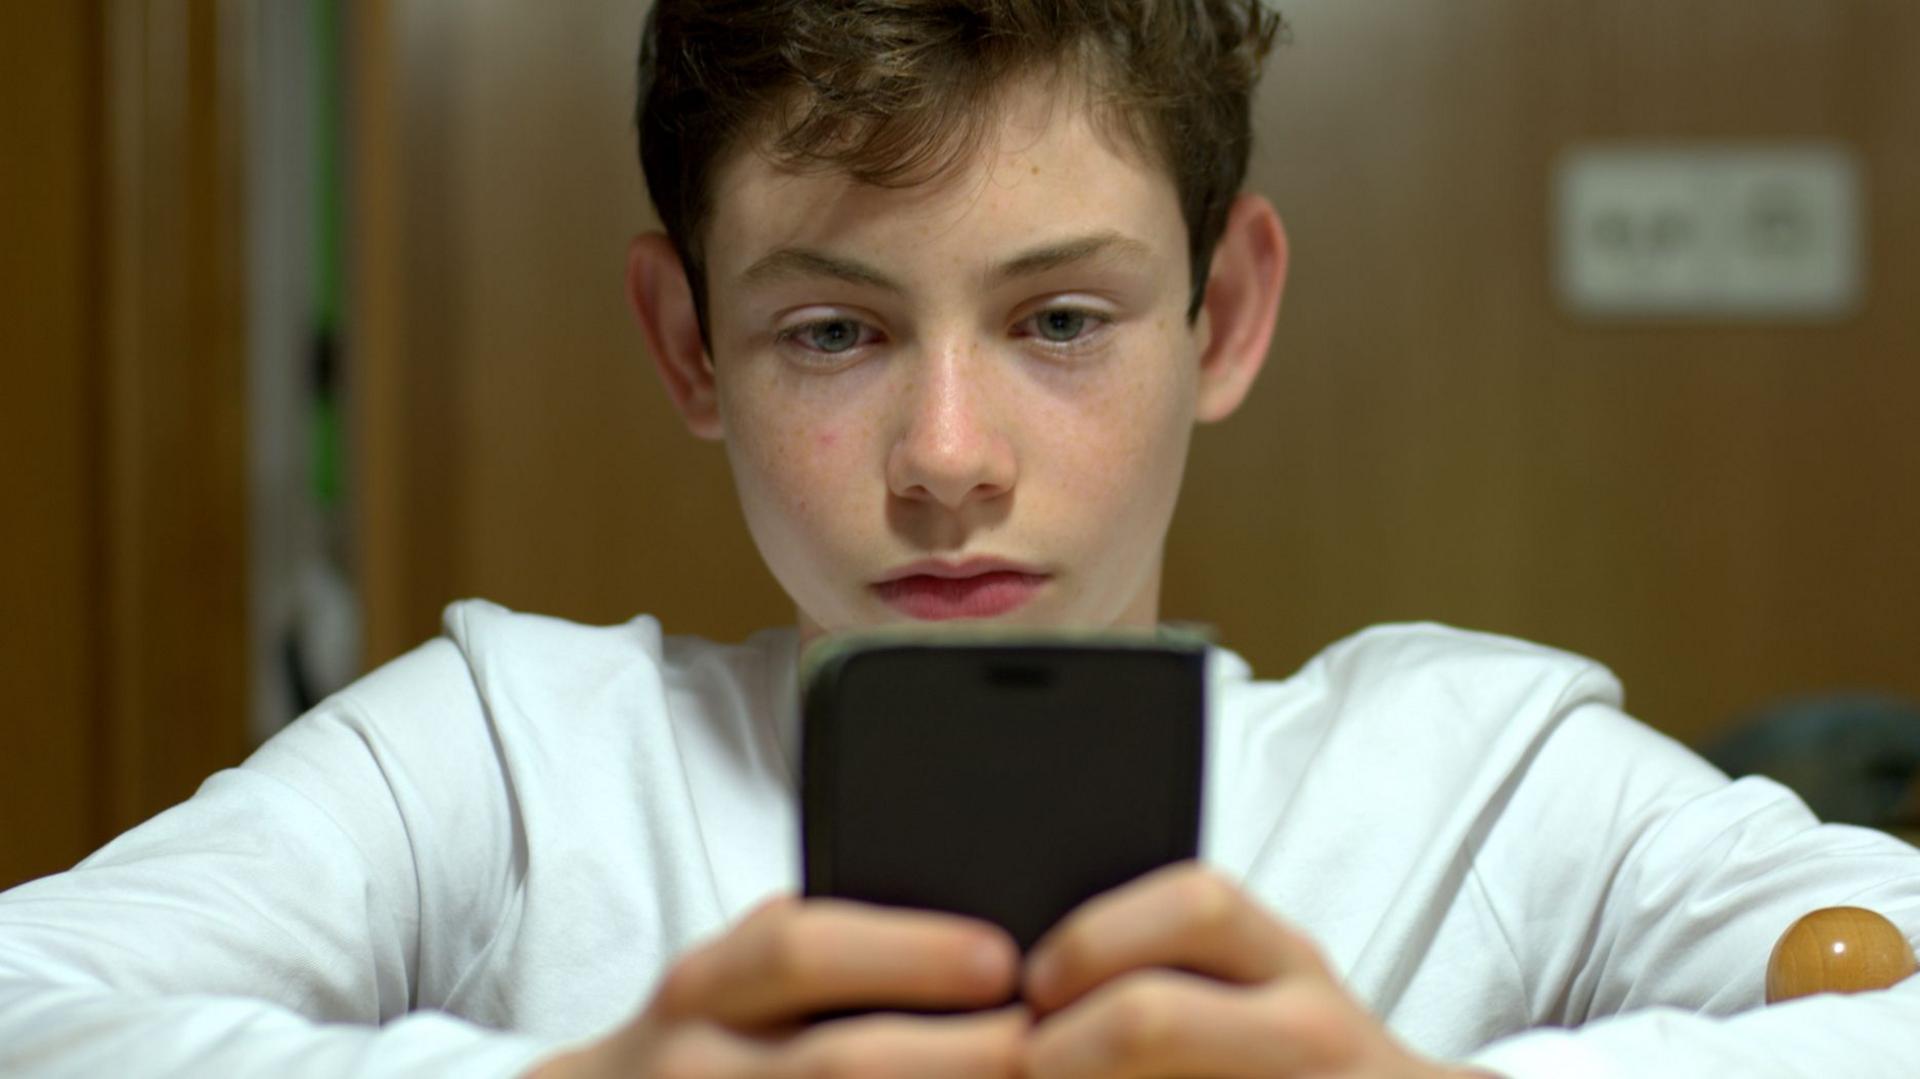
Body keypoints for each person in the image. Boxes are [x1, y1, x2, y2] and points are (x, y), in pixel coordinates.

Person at [3, 1, 1918, 1075]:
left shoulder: (1480, 784)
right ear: (690, 344)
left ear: (1224, 319)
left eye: (1059, 321)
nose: (945, 462)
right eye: (831, 331)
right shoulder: (506, 758)